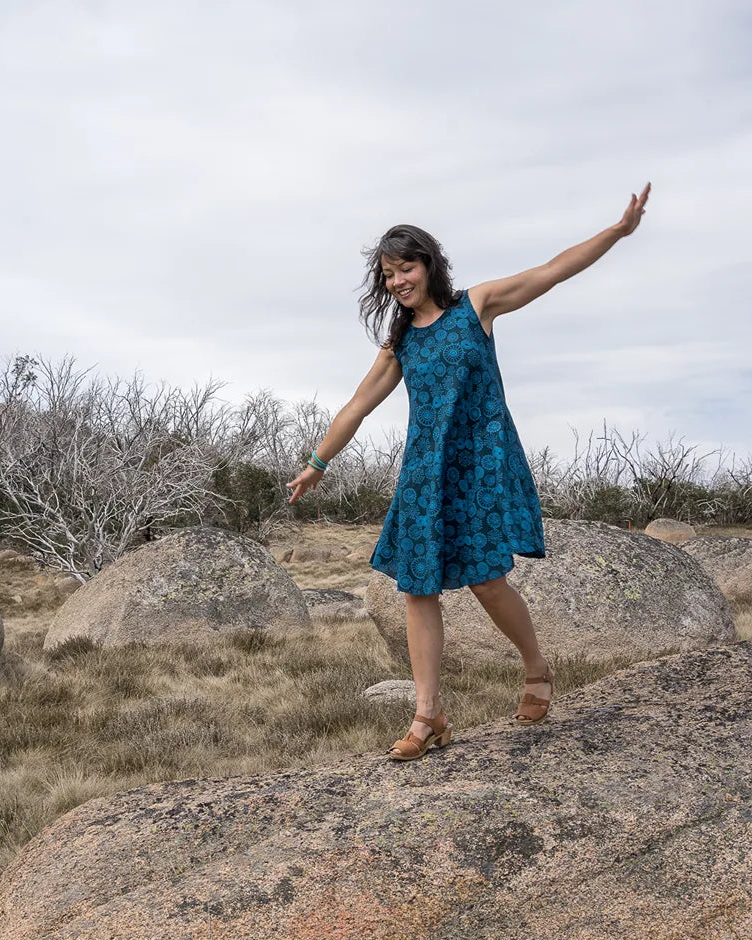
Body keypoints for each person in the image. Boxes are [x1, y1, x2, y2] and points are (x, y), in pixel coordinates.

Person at [286, 182, 651, 761]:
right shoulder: (399, 345)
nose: (397, 281)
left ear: (428, 265)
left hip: (480, 465)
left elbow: (551, 271)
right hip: (426, 475)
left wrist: (617, 231)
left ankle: (536, 668)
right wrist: (316, 465)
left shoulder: (475, 307)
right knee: (417, 588)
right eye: (387, 274)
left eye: (406, 268)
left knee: (486, 580)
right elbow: (356, 405)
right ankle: (428, 715)